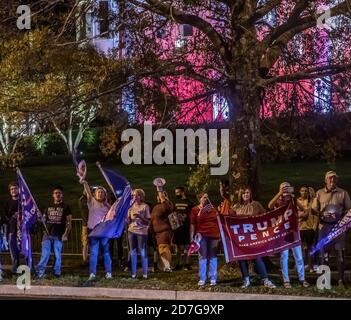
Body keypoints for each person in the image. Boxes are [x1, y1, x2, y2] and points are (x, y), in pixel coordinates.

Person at [312, 171, 351, 287]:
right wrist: (322, 214)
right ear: (326, 180)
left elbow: (350, 210)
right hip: (323, 227)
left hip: (338, 227)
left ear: (337, 180)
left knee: (340, 253)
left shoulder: (343, 193)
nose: (332, 181)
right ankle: (324, 281)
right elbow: (313, 210)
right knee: (323, 253)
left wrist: (341, 216)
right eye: (330, 179)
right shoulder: (319, 193)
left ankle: (340, 280)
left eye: (334, 179)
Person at [232, 188, 276, 289]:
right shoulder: (236, 207)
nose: (245, 194)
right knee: (241, 258)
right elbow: (231, 221)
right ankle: (246, 280)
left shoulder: (256, 204)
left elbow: (265, 216)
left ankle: (265, 279)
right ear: (240, 195)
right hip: (242, 237)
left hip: (254, 237)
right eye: (243, 193)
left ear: (250, 194)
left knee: (257, 257)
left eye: (247, 192)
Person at [268, 182, 309, 288]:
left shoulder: (293, 199)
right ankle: (286, 280)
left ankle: (302, 279)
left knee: (299, 257)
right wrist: (279, 193)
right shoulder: (278, 200)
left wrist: (298, 214)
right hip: (283, 232)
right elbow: (270, 205)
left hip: (294, 232)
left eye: (287, 187)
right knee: (284, 256)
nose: (285, 190)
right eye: (283, 188)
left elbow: (304, 210)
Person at [36, 186, 72, 278]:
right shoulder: (48, 206)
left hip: (59, 235)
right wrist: (40, 217)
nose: (57, 194)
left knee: (57, 255)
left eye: (59, 193)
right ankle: (40, 272)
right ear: (53, 195)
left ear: (62, 195)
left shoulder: (66, 207)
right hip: (47, 234)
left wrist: (66, 234)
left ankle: (56, 272)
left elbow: (69, 222)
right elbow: (44, 219)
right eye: (55, 193)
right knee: (45, 254)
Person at [81, 180, 112, 281]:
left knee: (106, 253)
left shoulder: (108, 206)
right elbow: (87, 191)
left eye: (102, 192)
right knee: (94, 253)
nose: (100, 193)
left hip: (104, 232)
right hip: (93, 231)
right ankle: (92, 274)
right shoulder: (91, 201)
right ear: (95, 194)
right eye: (98, 192)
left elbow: (113, 217)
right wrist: (84, 182)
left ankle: (108, 273)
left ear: (105, 195)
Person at [190, 192, 220, 287]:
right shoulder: (195, 210)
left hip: (213, 235)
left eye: (207, 197)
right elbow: (193, 223)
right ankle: (202, 278)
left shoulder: (212, 209)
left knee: (213, 256)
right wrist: (191, 236)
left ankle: (213, 278)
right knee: (203, 256)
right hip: (201, 235)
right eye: (204, 197)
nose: (206, 199)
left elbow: (218, 220)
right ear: (199, 199)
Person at [126, 189, 151, 279]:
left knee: (143, 252)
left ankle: (145, 274)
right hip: (131, 231)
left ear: (141, 196)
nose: (134, 197)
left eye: (136, 195)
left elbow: (148, 222)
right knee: (132, 252)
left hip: (142, 232)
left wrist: (140, 216)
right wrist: (126, 217)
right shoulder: (130, 207)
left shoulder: (145, 206)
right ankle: (133, 273)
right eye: (133, 195)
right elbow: (128, 221)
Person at [150, 190, 174, 273]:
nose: (159, 197)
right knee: (160, 249)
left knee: (164, 247)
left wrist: (163, 199)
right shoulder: (156, 207)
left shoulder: (167, 205)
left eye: (161, 196)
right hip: (157, 232)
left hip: (164, 230)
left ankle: (167, 266)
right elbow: (152, 218)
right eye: (158, 196)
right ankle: (164, 266)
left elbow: (167, 209)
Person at [297, 186, 318, 273]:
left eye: (306, 191)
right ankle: (302, 266)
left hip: (310, 227)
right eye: (302, 191)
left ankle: (311, 266)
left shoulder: (311, 201)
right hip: (299, 227)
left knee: (310, 248)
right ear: (299, 192)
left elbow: (316, 213)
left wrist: (314, 227)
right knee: (301, 248)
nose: (304, 192)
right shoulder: (296, 201)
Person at [173, 186, 193, 271]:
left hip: (186, 227)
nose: (176, 194)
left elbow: (192, 215)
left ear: (183, 192)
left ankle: (187, 263)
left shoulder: (189, 203)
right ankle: (178, 264)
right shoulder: (175, 202)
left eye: (178, 192)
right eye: (175, 193)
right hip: (177, 228)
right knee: (178, 247)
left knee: (187, 247)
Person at [2, 182, 21, 274]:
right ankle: (15, 270)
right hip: (12, 231)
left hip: (23, 231)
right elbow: (5, 218)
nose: (13, 190)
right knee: (13, 251)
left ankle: (28, 269)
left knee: (24, 250)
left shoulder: (23, 201)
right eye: (12, 189)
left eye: (15, 188)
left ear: (19, 189)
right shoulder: (8, 203)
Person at [78, 189, 89, 265]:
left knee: (92, 243)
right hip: (85, 225)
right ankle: (85, 259)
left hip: (92, 224)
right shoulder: (82, 200)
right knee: (85, 243)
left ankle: (90, 259)